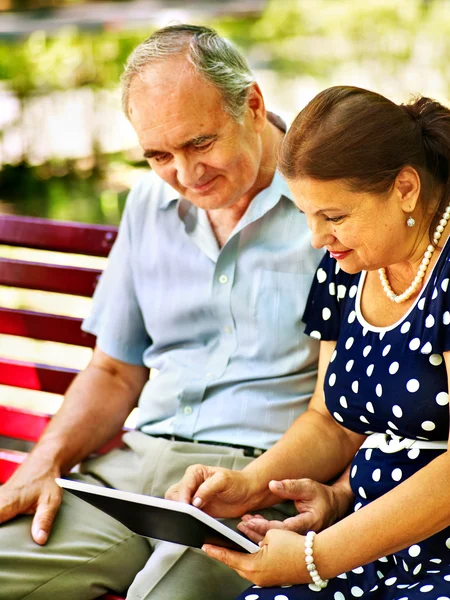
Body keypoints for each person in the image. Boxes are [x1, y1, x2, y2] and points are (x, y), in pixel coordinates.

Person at [0, 25, 326, 600]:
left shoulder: (326, 204)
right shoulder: (149, 203)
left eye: (200, 143)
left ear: (252, 105)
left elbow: (341, 411)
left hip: (258, 481)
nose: (185, 174)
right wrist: (42, 462)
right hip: (132, 472)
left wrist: (271, 487)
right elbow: (114, 371)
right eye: (158, 154)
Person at [167, 86, 450, 598]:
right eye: (306, 216)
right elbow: (331, 423)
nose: (317, 239)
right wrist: (251, 485)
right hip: (365, 543)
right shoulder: (347, 269)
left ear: (405, 188)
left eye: (334, 216)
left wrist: (317, 558)